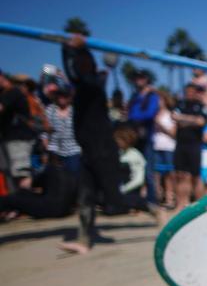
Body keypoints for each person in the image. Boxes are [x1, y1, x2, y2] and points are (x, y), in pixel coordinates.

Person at [60, 34, 162, 254]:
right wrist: (69, 49)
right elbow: (75, 73)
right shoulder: (84, 86)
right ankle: (84, 240)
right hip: (88, 151)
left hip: (104, 151)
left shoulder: (93, 86)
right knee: (85, 197)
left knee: (114, 199)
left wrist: (71, 50)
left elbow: (76, 73)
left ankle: (154, 210)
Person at [170, 83, 207, 213]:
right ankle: (181, 204)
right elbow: (174, 118)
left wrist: (183, 120)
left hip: (194, 145)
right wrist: (191, 120)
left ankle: (200, 205)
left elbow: (201, 122)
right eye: (188, 91)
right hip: (181, 144)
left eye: (193, 91)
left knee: (195, 176)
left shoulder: (201, 106)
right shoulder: (180, 104)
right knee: (180, 175)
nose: (190, 94)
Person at [0, 70, 37, 192]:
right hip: (11, 138)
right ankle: (18, 203)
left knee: (21, 174)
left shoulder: (12, 92)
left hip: (18, 139)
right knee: (13, 173)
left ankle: (25, 202)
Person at [126, 69, 160, 205]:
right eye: (136, 78)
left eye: (141, 77)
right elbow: (130, 114)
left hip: (147, 139)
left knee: (149, 171)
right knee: (133, 169)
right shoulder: (134, 96)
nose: (138, 80)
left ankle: (152, 201)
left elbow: (149, 114)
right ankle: (135, 201)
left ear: (146, 79)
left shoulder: (152, 96)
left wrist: (135, 117)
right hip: (133, 138)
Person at [44, 85, 82, 176]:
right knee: (57, 178)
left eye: (65, 95)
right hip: (55, 151)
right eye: (60, 95)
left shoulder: (75, 111)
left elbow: (81, 130)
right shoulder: (50, 110)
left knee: (74, 177)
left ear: (69, 97)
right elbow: (45, 130)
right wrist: (46, 146)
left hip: (73, 150)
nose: (62, 98)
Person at [152, 90, 176, 206]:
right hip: (156, 147)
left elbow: (173, 133)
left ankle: (169, 198)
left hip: (168, 147)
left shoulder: (170, 114)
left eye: (159, 99)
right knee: (156, 174)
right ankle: (157, 197)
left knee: (169, 174)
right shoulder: (154, 114)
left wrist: (160, 126)